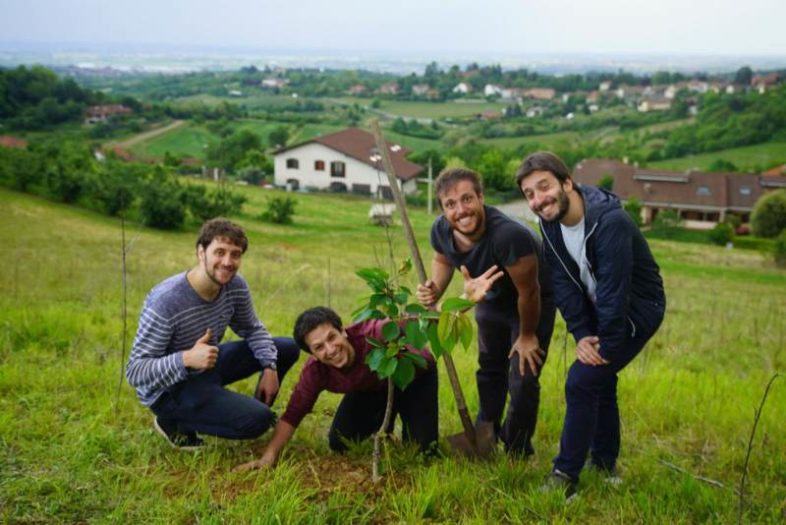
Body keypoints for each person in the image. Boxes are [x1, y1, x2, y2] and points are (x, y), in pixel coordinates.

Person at [234, 267, 503, 471]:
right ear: (312, 354)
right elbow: (293, 413)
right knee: (340, 441)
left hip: (413, 377)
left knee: (423, 453)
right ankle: (385, 425)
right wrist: (269, 456)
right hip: (369, 389)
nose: (330, 349)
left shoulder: (374, 332)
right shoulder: (316, 371)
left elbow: (425, 320)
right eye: (319, 347)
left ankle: (409, 423)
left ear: (343, 331)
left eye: (332, 338)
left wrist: (465, 299)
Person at [516, 151, 666, 497]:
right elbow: (564, 285)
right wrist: (582, 334)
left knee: (583, 380)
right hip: (601, 307)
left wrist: (605, 347)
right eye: (530, 194)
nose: (539, 200)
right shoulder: (550, 224)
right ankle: (603, 464)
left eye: (544, 187)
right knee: (601, 382)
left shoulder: (609, 221)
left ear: (567, 183)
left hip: (637, 310)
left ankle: (564, 476)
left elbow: (614, 294)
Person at [416, 167, 556, 457]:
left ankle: (517, 446)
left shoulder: (509, 236)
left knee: (523, 376)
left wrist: (528, 335)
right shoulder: (440, 229)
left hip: (531, 304)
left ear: (481, 197)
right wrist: (435, 290)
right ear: (442, 209)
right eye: (451, 205)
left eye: (467, 199)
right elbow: (442, 257)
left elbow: (529, 291)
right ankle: (485, 436)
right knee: (490, 369)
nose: (460, 210)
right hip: (490, 301)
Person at [126, 218, 300, 450]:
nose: (227, 262)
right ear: (201, 252)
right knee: (259, 421)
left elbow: (252, 329)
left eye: (235, 254)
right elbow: (135, 372)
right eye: (219, 252)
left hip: (207, 364)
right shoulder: (166, 301)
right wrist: (186, 359)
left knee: (286, 348)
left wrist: (270, 366)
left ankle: (244, 407)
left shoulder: (235, 286)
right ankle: (173, 420)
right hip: (170, 389)